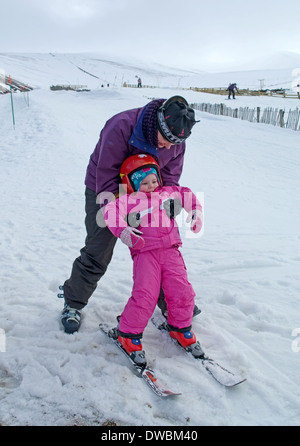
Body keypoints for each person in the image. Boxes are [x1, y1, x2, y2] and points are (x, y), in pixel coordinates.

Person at [59, 95, 199, 334]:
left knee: (160, 248)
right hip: (106, 189)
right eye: (165, 141)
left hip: (148, 190)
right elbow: (106, 176)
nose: (168, 147)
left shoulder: (176, 140)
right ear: (157, 124)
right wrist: (121, 219)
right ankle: (73, 303)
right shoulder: (121, 126)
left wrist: (167, 201)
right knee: (98, 249)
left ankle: (172, 304)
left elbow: (171, 176)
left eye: (173, 144)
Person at [103, 154, 203, 364]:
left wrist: (195, 211)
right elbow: (110, 212)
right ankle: (128, 334)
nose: (151, 186)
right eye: (144, 183)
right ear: (132, 184)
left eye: (154, 180)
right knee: (146, 295)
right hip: (145, 254)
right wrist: (123, 231)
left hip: (171, 251)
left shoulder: (167, 193)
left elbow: (186, 194)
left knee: (182, 291)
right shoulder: (128, 201)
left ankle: (180, 328)